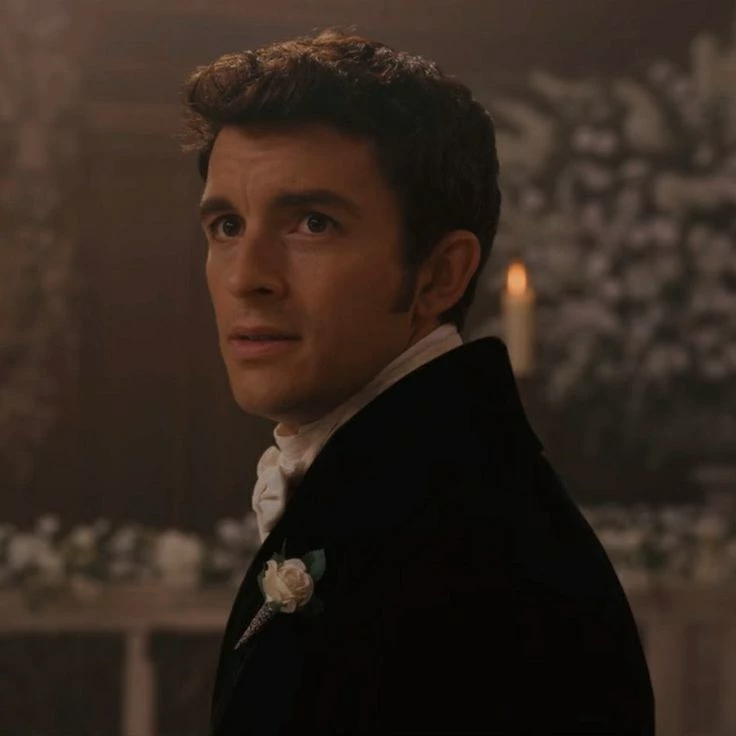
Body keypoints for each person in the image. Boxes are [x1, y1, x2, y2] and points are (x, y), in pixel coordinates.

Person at [180, 28, 654, 736]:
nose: (248, 277)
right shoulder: (410, 485)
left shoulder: (468, 546)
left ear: (438, 275)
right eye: (226, 226)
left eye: (313, 223)